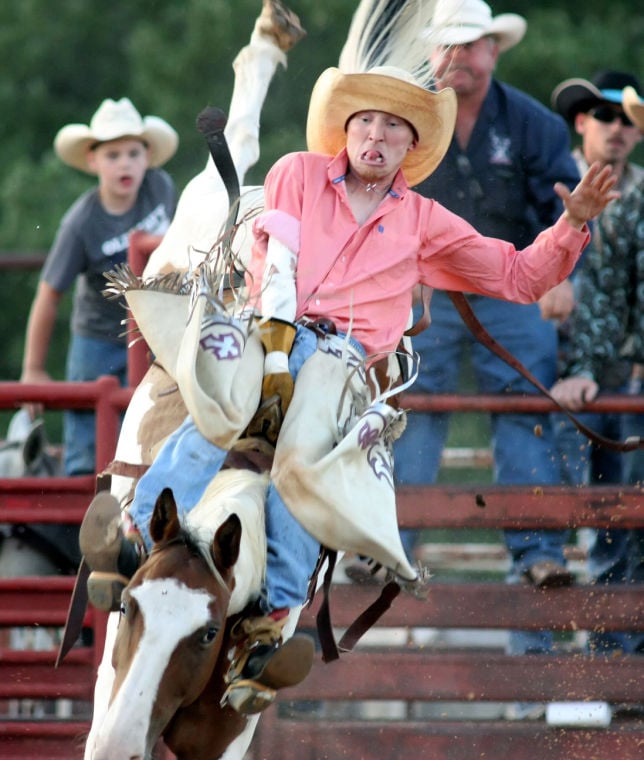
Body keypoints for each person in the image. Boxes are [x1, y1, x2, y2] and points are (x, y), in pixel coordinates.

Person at [77, 9, 616, 718]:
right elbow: (276, 248)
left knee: (308, 463)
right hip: (276, 321)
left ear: (411, 144)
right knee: (218, 407)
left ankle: (271, 619)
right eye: (367, 121)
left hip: (344, 358)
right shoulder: (297, 173)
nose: (378, 135)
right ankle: (136, 535)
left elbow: (517, 276)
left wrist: (572, 223)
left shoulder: (423, 221)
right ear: (347, 128)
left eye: (395, 127)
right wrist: (274, 336)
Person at [383, 0, 581, 669]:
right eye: (446, 46)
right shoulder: (407, 117)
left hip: (511, 280)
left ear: (494, 50)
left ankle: (538, 553)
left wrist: (559, 271)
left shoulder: (531, 122)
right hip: (426, 282)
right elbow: (377, 195)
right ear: (430, 53)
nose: (457, 58)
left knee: (527, 404)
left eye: (470, 45)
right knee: (411, 408)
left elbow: (567, 201)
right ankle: (392, 547)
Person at [20, 97, 179, 477]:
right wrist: (33, 368)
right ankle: (84, 497)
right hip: (98, 337)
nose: (124, 163)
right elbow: (49, 294)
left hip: (152, 332)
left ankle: (154, 498)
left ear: (148, 156)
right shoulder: (81, 223)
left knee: (158, 416)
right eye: (112, 155)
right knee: (89, 430)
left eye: (133, 153)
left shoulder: (161, 188)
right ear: (93, 161)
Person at [550, 71, 644, 657]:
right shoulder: (547, 184)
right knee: (580, 522)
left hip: (621, 383)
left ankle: (617, 667)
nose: (618, 129)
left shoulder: (640, 198)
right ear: (582, 122)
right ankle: (586, 669)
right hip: (558, 381)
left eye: (629, 120)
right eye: (606, 117)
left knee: (623, 525)